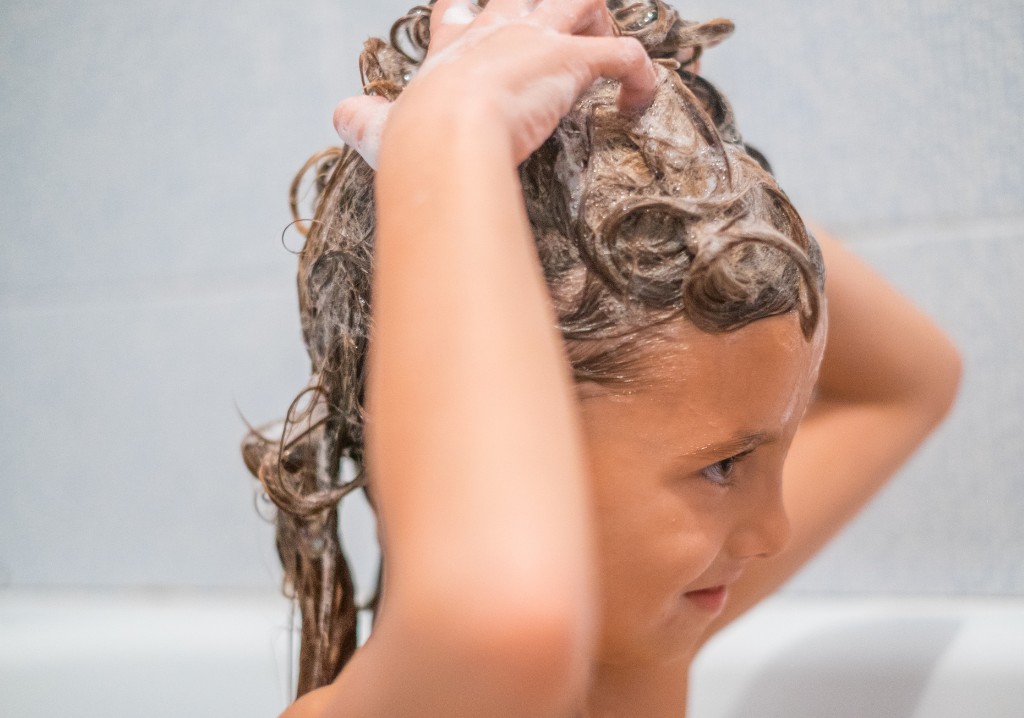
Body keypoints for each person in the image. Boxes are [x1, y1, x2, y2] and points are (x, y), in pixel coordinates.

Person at [242, 1, 961, 715]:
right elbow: (502, 627)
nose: (775, 530)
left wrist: (672, 158)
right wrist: (448, 129)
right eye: (722, 466)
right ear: (517, 438)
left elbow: (905, 383)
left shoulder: (634, 662)